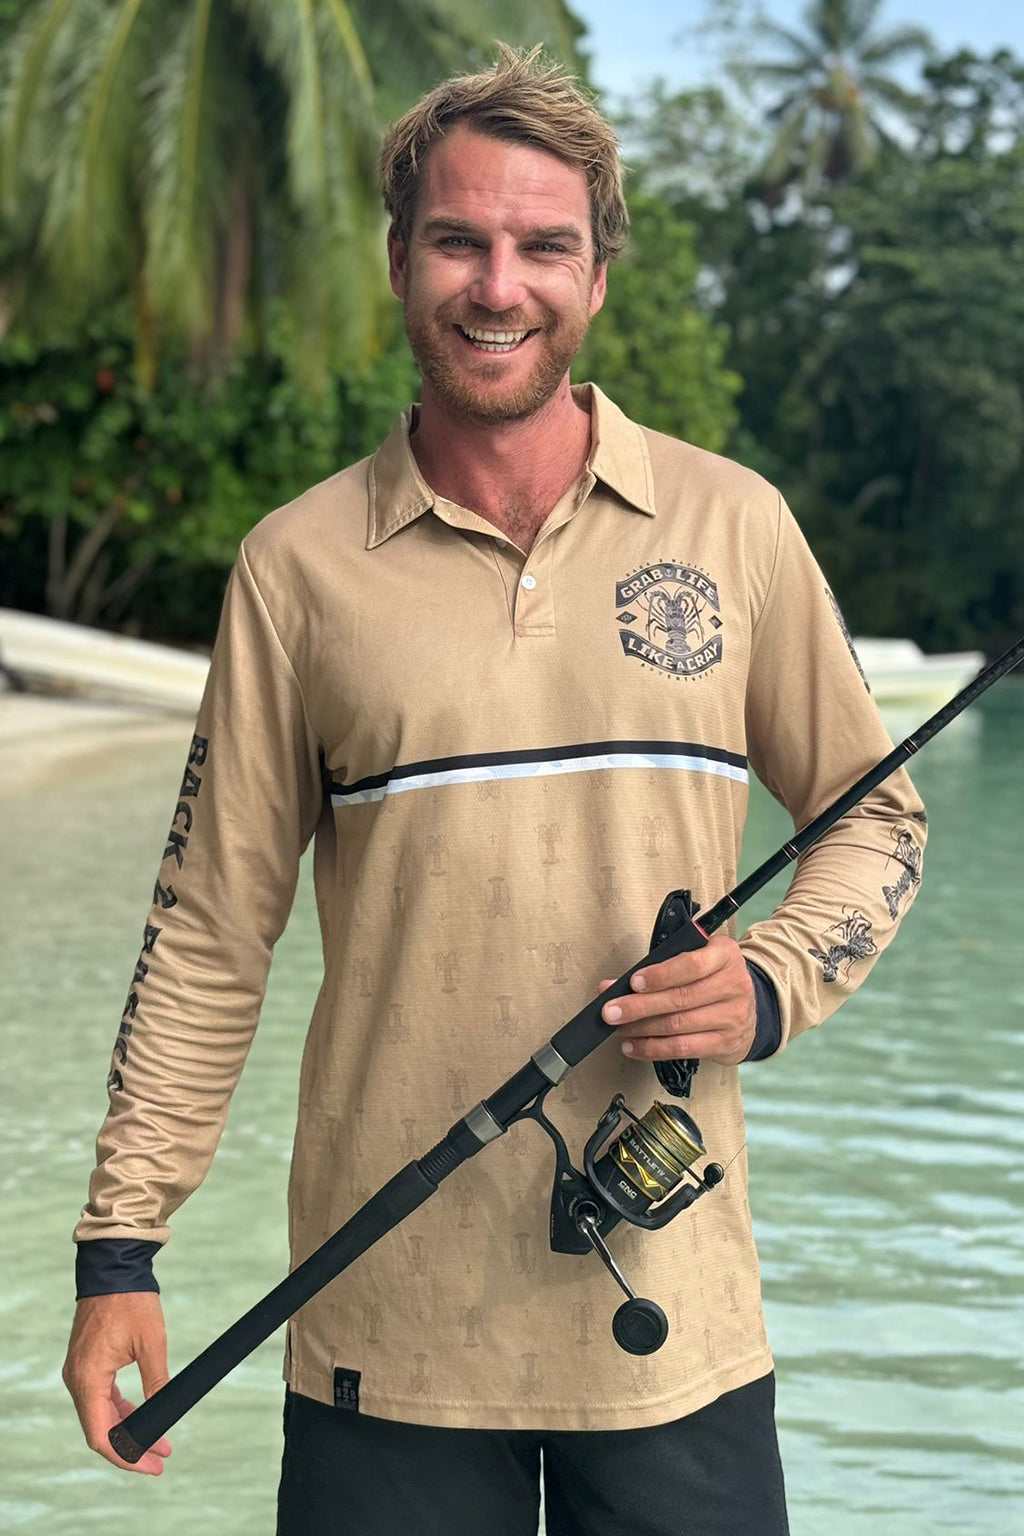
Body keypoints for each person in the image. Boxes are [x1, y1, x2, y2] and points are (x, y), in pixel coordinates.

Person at [63, 44, 926, 1536]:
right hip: (377, 1338)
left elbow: (873, 812)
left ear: (597, 278)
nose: (497, 283)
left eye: (545, 246)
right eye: (459, 239)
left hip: (678, 1328)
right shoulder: (298, 566)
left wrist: (773, 982)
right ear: (402, 260)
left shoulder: (736, 525)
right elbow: (211, 930)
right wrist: (121, 1249)